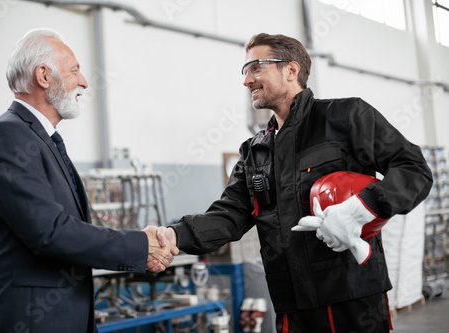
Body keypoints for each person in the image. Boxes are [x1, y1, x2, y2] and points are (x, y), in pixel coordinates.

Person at [157, 33, 433, 332]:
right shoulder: (255, 151)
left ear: (291, 70)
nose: (247, 80)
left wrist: (363, 208)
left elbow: (413, 169)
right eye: (245, 71)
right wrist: (173, 235)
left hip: (351, 299)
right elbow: (229, 215)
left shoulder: (346, 117)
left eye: (256, 67)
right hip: (291, 304)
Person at [0, 28, 178, 333]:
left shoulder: (40, 139)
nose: (84, 81)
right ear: (43, 76)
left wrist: (142, 243)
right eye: (75, 70)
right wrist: (140, 245)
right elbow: (50, 232)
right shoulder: (6, 136)